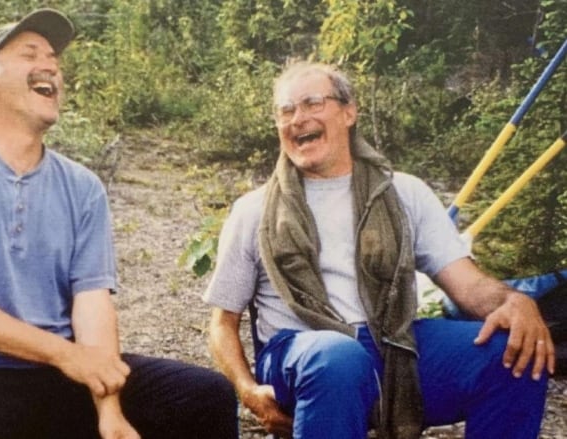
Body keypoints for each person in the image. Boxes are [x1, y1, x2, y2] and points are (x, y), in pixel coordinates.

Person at [0, 8, 237, 439]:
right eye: (30, 54)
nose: (50, 66)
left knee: (203, 394)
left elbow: (92, 303)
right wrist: (66, 355)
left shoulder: (82, 188)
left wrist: (109, 409)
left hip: (62, 376)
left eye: (54, 60)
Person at [203, 61, 555, 439]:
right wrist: (248, 390)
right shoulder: (255, 210)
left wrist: (513, 302)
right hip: (301, 351)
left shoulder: (403, 193)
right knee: (338, 358)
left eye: (311, 104)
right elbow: (222, 325)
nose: (297, 119)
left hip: (392, 343)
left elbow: (468, 287)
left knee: (514, 352)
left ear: (349, 111)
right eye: (286, 111)